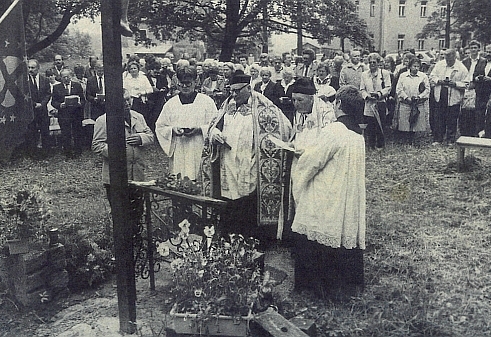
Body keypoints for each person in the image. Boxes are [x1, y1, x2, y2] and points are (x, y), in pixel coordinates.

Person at [291, 84, 366, 298]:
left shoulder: (333, 131)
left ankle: (314, 286)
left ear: (339, 104)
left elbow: (312, 162)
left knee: (314, 224)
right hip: (347, 192)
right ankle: (346, 283)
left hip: (328, 191)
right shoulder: (358, 134)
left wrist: (300, 167)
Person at [202, 71, 292, 247]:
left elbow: (285, 127)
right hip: (228, 163)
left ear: (248, 88)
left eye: (237, 91)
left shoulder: (264, 107)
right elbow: (212, 126)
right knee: (229, 201)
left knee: (247, 202)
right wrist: (215, 134)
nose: (234, 95)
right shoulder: (228, 104)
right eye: (231, 91)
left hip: (250, 163)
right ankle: (230, 237)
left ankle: (251, 239)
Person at [92, 89, 154, 222]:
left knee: (137, 210)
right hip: (116, 176)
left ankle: (136, 239)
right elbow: (96, 145)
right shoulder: (104, 120)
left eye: (128, 99)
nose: (127, 103)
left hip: (137, 174)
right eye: (123, 101)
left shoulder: (138, 117)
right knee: (120, 214)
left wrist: (141, 138)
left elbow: (151, 136)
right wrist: (115, 151)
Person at [155, 66, 219, 180]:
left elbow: (216, 125)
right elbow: (160, 126)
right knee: (180, 180)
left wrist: (200, 129)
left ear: (196, 81)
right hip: (179, 148)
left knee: (199, 181)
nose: (184, 86)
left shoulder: (206, 102)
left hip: (199, 148)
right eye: (181, 83)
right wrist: (172, 129)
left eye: (188, 83)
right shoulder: (171, 104)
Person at [428, 49, 468, 145]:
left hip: (454, 94)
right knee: (439, 116)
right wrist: (439, 81)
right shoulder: (439, 64)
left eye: (450, 60)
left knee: (452, 118)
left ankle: (450, 139)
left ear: (455, 57)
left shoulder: (462, 68)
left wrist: (455, 84)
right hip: (441, 92)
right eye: (446, 59)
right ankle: (438, 138)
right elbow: (431, 76)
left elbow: (466, 83)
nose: (448, 62)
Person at [394, 57, 430, 144]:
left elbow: (427, 89)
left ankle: (413, 138)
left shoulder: (423, 76)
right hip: (406, 102)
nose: (416, 68)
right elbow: (399, 89)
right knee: (404, 121)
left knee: (416, 121)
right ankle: (404, 138)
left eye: (418, 66)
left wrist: (420, 96)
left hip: (417, 102)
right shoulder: (403, 76)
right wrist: (406, 97)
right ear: (410, 66)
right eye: (414, 66)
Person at [360, 53, 392, 149]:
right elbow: (362, 89)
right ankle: (371, 144)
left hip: (380, 102)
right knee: (370, 124)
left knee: (380, 123)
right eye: (370, 62)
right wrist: (367, 96)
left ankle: (380, 144)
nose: (372, 64)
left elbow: (388, 87)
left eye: (374, 62)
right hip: (369, 103)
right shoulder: (364, 74)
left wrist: (379, 94)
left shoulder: (384, 73)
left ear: (378, 63)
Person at [51, 68, 85, 158]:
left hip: (76, 113)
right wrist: (59, 105)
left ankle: (78, 151)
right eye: (63, 77)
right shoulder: (56, 87)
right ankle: (68, 152)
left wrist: (79, 103)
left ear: (71, 76)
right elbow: (53, 102)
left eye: (67, 76)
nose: (66, 79)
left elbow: (83, 100)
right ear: (61, 78)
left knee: (77, 132)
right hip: (64, 114)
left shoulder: (77, 85)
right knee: (66, 133)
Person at [460, 40, 487, 137]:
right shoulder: (465, 61)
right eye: (472, 48)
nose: (473, 50)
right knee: (466, 111)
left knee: (477, 111)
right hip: (466, 88)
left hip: (478, 89)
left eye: (475, 48)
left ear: (478, 49)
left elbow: (484, 75)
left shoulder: (483, 61)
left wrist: (475, 82)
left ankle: (477, 132)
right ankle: (466, 132)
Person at [27, 59, 52, 157]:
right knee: (32, 131)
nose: (30, 70)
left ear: (38, 68)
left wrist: (42, 104)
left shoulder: (44, 80)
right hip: (31, 111)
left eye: (32, 68)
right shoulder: (25, 81)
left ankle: (46, 152)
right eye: (29, 67)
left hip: (42, 110)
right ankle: (33, 153)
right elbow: (24, 96)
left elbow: (48, 93)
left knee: (45, 131)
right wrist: (34, 104)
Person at [123, 61, 154, 128]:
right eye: (131, 69)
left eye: (135, 68)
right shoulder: (127, 79)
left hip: (142, 101)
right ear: (129, 70)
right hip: (131, 101)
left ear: (138, 69)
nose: (133, 70)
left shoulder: (143, 78)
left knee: (143, 118)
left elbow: (150, 89)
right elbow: (124, 90)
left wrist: (142, 92)